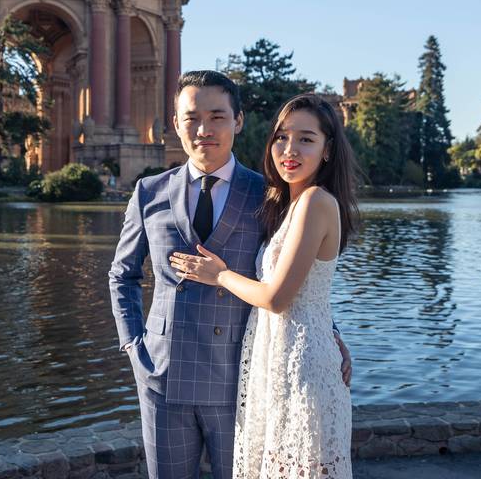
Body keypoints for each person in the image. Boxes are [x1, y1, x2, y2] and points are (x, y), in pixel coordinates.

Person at [109, 73, 351, 479]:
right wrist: (134, 346)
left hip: (240, 378)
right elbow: (122, 275)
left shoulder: (271, 194)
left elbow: (296, 275)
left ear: (238, 121)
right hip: (164, 378)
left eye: (217, 116)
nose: (204, 130)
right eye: (192, 118)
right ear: (175, 123)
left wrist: (331, 334)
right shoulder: (148, 192)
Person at [170, 93, 359, 478]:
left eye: (306, 139)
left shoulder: (316, 202)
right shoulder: (289, 203)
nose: (290, 149)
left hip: (302, 367)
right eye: (281, 137)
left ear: (327, 150)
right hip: (278, 361)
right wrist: (332, 331)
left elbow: (277, 297)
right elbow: (310, 290)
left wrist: (218, 274)